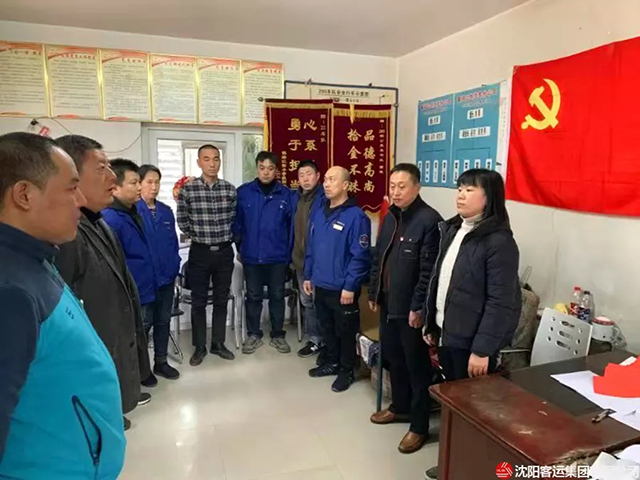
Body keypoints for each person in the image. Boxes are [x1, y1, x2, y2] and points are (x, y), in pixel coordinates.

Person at [0, 132, 125, 479]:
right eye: (71, 189)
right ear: (24, 195)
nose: (80, 199)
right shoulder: (10, 290)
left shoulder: (35, 258)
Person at [423, 169, 521, 480]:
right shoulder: (454, 229)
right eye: (460, 188)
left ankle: (472, 468)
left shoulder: (499, 241)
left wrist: (482, 350)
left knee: (475, 413)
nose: (461, 195)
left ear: (488, 198)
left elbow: (501, 302)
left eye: (469, 190)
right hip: (449, 333)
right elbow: (440, 281)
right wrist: (432, 322)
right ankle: (453, 461)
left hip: (473, 344)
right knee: (454, 406)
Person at [54, 135, 152, 430]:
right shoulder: (65, 236)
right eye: (101, 169)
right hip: (85, 375)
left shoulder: (99, 224)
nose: (112, 177)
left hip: (111, 353)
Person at [368, 163, 443, 454]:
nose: (396, 191)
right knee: (394, 359)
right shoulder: (390, 217)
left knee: (416, 367)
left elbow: (428, 272)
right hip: (389, 303)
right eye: (392, 186)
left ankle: (419, 426)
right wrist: (374, 291)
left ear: (417, 187)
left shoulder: (429, 220)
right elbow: (379, 257)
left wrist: (418, 307)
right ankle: (399, 407)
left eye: (402, 186)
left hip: (411, 310)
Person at [102, 160, 180, 381]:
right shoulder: (130, 212)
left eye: (157, 182)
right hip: (142, 283)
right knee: (142, 327)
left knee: (163, 321)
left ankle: (161, 362)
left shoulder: (165, 211)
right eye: (147, 182)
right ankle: (141, 369)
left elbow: (172, 243)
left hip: (165, 278)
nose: (153, 187)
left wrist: (174, 266)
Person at [304, 166, 371, 392]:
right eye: (325, 179)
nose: (326, 183)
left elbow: (359, 256)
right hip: (320, 283)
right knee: (327, 328)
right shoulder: (319, 212)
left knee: (345, 332)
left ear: (345, 185)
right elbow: (311, 247)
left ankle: (346, 370)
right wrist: (308, 275)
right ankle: (332, 362)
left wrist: (350, 286)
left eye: (332, 179)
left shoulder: (356, 216)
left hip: (343, 288)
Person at [177, 144, 237, 366]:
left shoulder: (229, 190)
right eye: (207, 159)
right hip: (200, 252)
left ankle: (218, 343)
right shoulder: (188, 190)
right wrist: (199, 236)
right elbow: (182, 221)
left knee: (221, 299)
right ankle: (199, 346)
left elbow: (234, 219)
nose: (212, 164)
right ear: (199, 162)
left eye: (216, 159)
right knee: (199, 301)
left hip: (224, 251)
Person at [234, 151, 294, 355]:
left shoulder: (286, 195)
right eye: (262, 168)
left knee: (277, 296)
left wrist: (288, 255)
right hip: (252, 257)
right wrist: (241, 249)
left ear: (276, 171)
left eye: (270, 168)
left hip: (278, 257)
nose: (266, 172)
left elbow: (291, 228)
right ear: (257, 169)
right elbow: (237, 225)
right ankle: (254, 334)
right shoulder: (244, 192)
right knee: (253, 296)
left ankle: (278, 335)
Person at [290, 160, 326, 358]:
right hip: (300, 261)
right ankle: (315, 340)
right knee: (307, 301)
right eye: (301, 175)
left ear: (318, 176)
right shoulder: (295, 198)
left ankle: (327, 341)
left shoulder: (325, 199)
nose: (305, 179)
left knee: (321, 301)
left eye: (309, 174)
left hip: (319, 262)